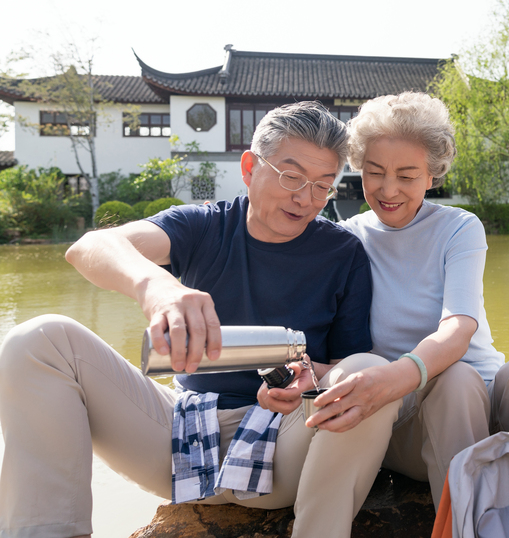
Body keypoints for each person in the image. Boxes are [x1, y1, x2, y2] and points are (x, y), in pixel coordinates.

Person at [0, 101, 399, 538]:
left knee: (368, 373)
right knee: (38, 340)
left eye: (323, 185)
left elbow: (348, 370)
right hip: (182, 436)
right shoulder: (203, 226)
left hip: (286, 444)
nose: (306, 199)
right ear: (249, 167)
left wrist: (306, 376)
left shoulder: (342, 253)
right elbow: (89, 249)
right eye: (291, 177)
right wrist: (157, 286)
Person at [335, 91, 504, 506]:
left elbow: (459, 326)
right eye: (375, 172)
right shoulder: (347, 238)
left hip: (479, 399)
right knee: (455, 380)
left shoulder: (459, 228)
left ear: (432, 176)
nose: (388, 189)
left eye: (407, 176)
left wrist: (398, 373)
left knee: (504, 375)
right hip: (405, 414)